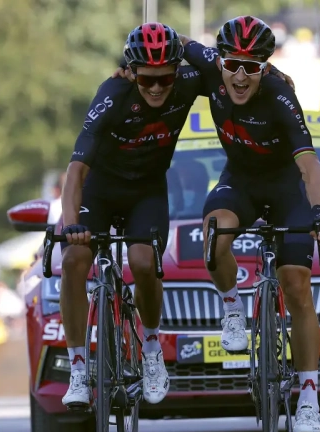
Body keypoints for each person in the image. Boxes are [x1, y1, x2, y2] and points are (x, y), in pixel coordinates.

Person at [178, 17, 320, 432]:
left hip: (284, 188)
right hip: (240, 182)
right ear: (221, 62)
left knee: (296, 283)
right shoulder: (209, 66)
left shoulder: (280, 94)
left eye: (253, 66)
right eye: (233, 65)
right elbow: (170, 41)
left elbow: (309, 165)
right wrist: (126, 67)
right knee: (213, 238)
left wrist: (319, 211)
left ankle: (308, 399)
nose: (241, 76)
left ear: (266, 67)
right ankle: (233, 310)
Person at [58, 23, 208, 409]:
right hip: (102, 189)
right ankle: (78, 367)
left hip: (147, 190)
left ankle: (153, 348)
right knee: (74, 259)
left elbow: (235, 78)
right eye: (146, 78)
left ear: (177, 71)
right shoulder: (112, 93)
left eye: (165, 78)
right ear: (130, 71)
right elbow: (76, 169)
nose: (157, 87)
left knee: (143, 262)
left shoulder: (189, 81)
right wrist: (72, 221)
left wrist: (268, 71)